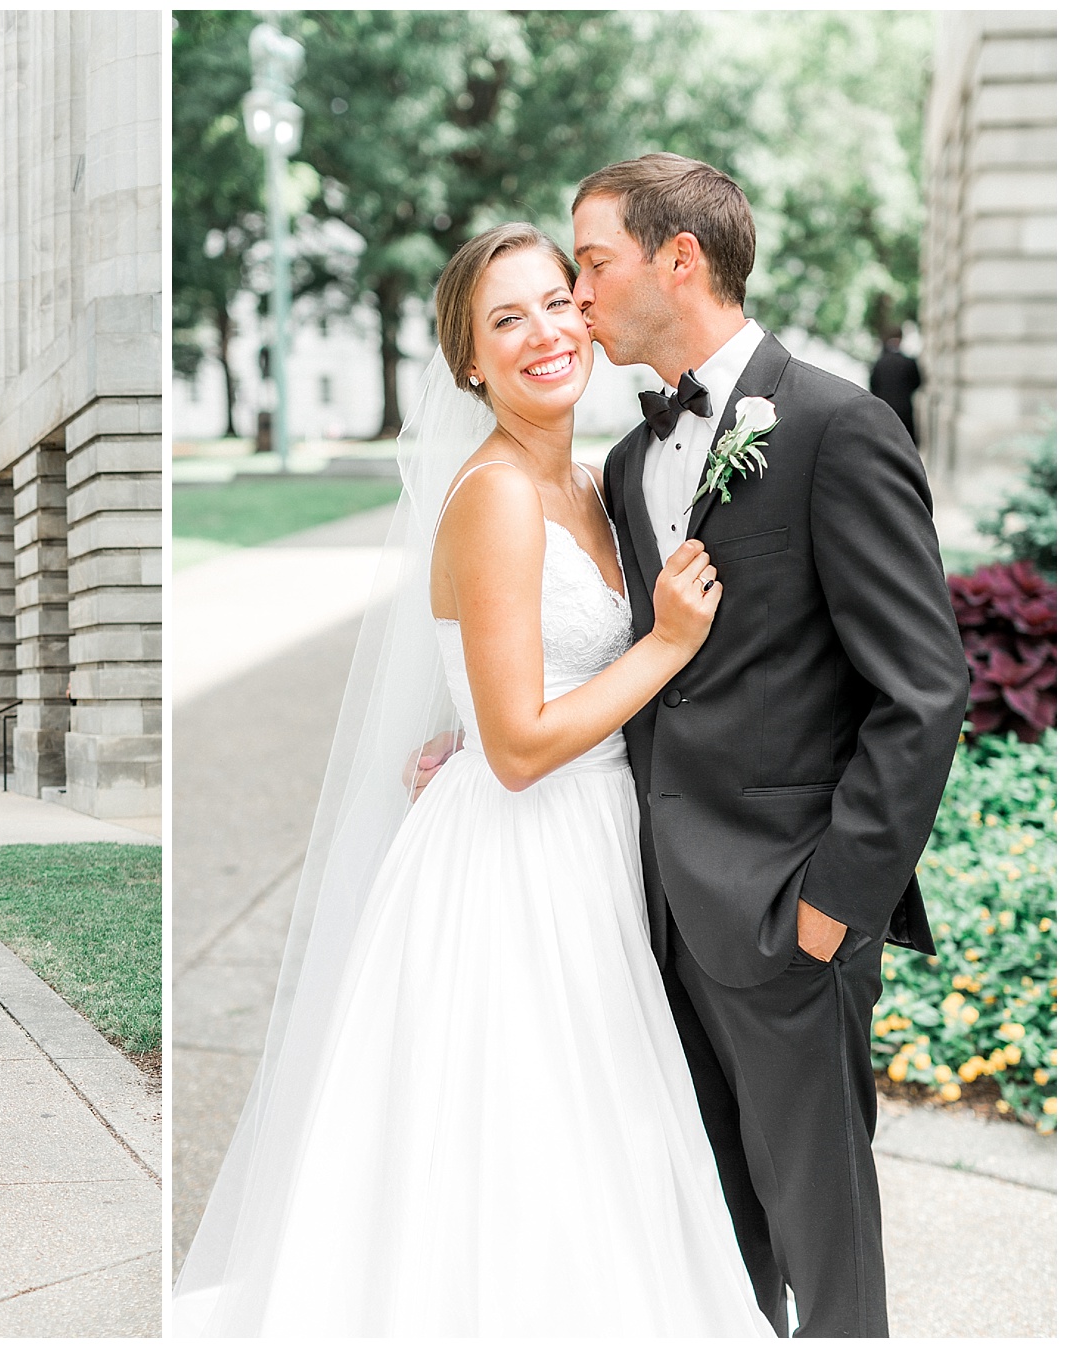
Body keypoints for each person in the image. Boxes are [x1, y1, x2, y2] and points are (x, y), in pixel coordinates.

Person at [174, 222, 775, 1336]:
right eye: (507, 320)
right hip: (521, 856)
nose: (545, 333)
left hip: (593, 834)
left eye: (557, 302)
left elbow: (519, 673)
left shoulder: (591, 481)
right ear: (468, 362)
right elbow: (520, 746)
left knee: (597, 1130)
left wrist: (465, 717)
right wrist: (665, 645)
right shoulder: (496, 491)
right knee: (531, 1133)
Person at [567, 154, 965, 1335]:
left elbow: (922, 690)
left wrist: (834, 905)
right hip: (659, 919)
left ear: (678, 259)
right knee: (712, 1244)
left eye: (594, 263)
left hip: (791, 918)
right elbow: (644, 667)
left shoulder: (840, 429)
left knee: (826, 1255)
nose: (578, 295)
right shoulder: (629, 465)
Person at [869, 329, 923, 446]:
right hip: (904, 409)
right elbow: (918, 382)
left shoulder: (879, 363)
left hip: (884, 409)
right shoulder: (909, 362)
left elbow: (873, 386)